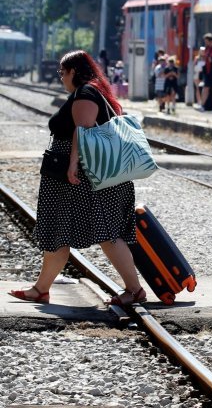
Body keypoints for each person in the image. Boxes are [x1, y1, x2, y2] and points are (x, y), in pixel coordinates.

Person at [9, 50, 145, 306]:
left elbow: (82, 130)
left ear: (74, 71)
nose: (61, 77)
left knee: (107, 233)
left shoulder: (85, 93)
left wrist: (72, 165)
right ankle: (41, 289)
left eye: (63, 72)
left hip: (82, 176)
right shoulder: (95, 91)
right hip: (80, 176)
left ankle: (135, 289)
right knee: (60, 231)